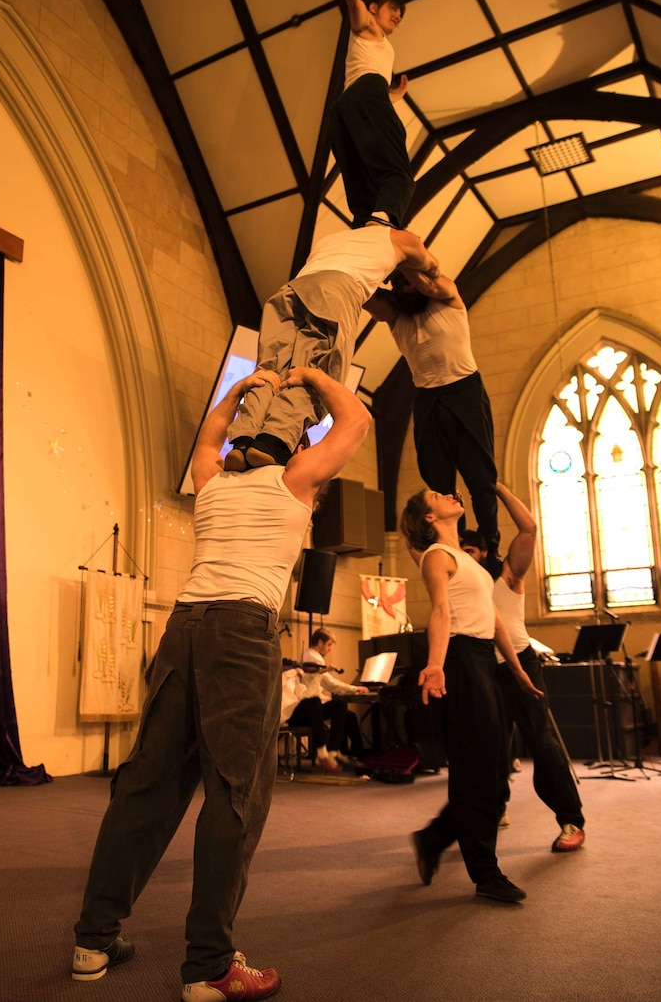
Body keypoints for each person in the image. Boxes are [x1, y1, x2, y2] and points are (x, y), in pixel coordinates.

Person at [72, 364, 371, 1001]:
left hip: (182, 629)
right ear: (295, 441)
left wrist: (237, 393)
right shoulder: (296, 480)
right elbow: (359, 421)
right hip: (241, 633)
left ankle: (93, 939)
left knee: (146, 785)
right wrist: (317, 377)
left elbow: (208, 440)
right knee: (236, 793)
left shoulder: (211, 483)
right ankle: (209, 966)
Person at [399, 487, 543, 904]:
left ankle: (433, 837)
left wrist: (515, 670)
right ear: (429, 517)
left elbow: (494, 618)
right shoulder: (437, 558)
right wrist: (437, 664)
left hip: (483, 660)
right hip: (460, 658)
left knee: (498, 765)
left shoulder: (466, 559)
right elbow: (441, 612)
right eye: (437, 496)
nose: (449, 494)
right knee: (475, 766)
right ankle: (486, 873)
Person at [225, 224, 438, 469]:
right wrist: (407, 264)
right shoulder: (398, 238)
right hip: (334, 289)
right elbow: (432, 268)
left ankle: (242, 442)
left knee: (269, 372)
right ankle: (273, 441)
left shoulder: (336, 237)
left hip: (291, 290)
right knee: (319, 373)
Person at [459, 483, 586, 854]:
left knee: (541, 743)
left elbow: (528, 528)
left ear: (484, 552)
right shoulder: (460, 580)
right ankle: (496, 808)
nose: (466, 556)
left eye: (471, 551)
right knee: (492, 746)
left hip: (522, 665)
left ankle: (571, 820)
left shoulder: (508, 575)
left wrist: (494, 486)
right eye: (461, 551)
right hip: (486, 671)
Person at [365, 269, 500, 565]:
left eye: (408, 282)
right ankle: (454, 544)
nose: (404, 289)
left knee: (481, 480)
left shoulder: (448, 298)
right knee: (440, 486)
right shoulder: (396, 316)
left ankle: (490, 545)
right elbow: (364, 292)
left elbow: (430, 278)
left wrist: (405, 260)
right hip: (427, 398)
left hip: (464, 390)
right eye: (398, 285)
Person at [328, 0, 414, 229]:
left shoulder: (381, 47)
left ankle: (366, 227)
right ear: (375, 8)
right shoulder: (368, 27)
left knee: (362, 190)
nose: (398, 17)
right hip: (365, 93)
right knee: (399, 175)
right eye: (395, 9)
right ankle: (387, 217)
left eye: (401, 16)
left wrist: (393, 96)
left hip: (345, 110)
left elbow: (368, 96)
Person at [299, 627, 370, 766]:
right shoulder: (314, 658)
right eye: (329, 645)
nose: (330, 649)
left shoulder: (310, 656)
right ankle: (335, 751)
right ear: (320, 642)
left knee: (348, 716)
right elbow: (331, 684)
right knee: (340, 706)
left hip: (314, 703)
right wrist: (355, 689)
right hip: (310, 706)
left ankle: (349, 753)